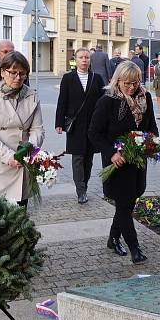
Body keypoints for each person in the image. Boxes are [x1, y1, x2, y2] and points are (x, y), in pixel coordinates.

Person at [89, 61, 159, 264]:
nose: (131, 87)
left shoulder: (145, 97)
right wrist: (112, 153)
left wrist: (151, 142)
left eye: (135, 83)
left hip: (137, 162)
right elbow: (94, 133)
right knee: (123, 204)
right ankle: (135, 248)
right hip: (117, 163)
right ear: (117, 80)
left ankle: (112, 238)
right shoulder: (108, 101)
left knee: (127, 204)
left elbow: (152, 126)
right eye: (127, 83)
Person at [0, 51, 44, 206]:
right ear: (2, 72)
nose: (18, 77)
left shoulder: (32, 95)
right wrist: (9, 157)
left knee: (20, 219)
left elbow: (38, 130)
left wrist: (28, 151)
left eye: (22, 73)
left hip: (22, 165)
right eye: (13, 72)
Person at [55, 47, 105, 204]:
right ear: (75, 60)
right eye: (81, 57)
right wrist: (59, 123)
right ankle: (80, 191)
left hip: (92, 125)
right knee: (77, 158)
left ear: (90, 60)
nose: (84, 60)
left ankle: (85, 185)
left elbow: (103, 103)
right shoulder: (68, 78)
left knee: (88, 159)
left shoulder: (96, 78)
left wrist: (104, 122)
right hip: (75, 125)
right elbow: (62, 100)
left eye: (87, 57)